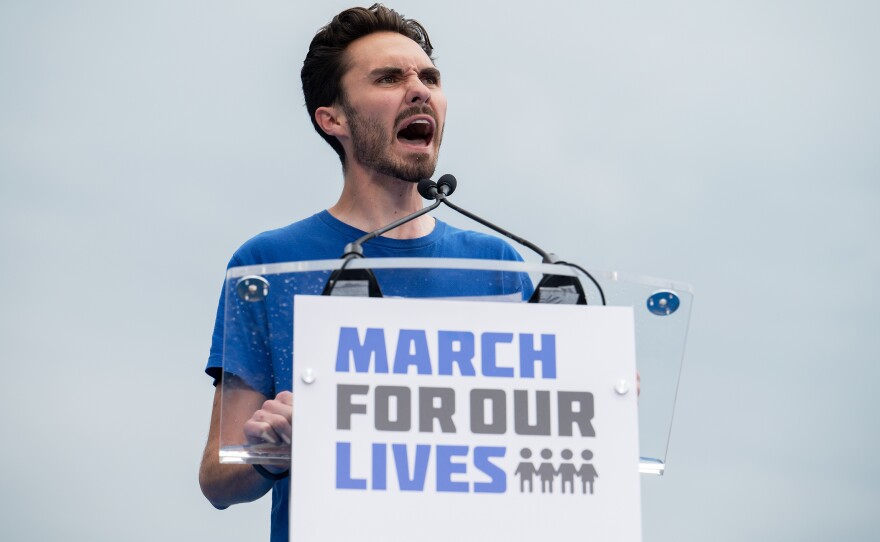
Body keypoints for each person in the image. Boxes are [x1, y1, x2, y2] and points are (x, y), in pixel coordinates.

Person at [198, 5, 532, 542]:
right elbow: (217, 477)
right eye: (389, 78)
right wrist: (272, 453)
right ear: (334, 119)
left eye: (429, 77)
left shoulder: (498, 269)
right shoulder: (271, 262)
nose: (419, 90)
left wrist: (596, 399)